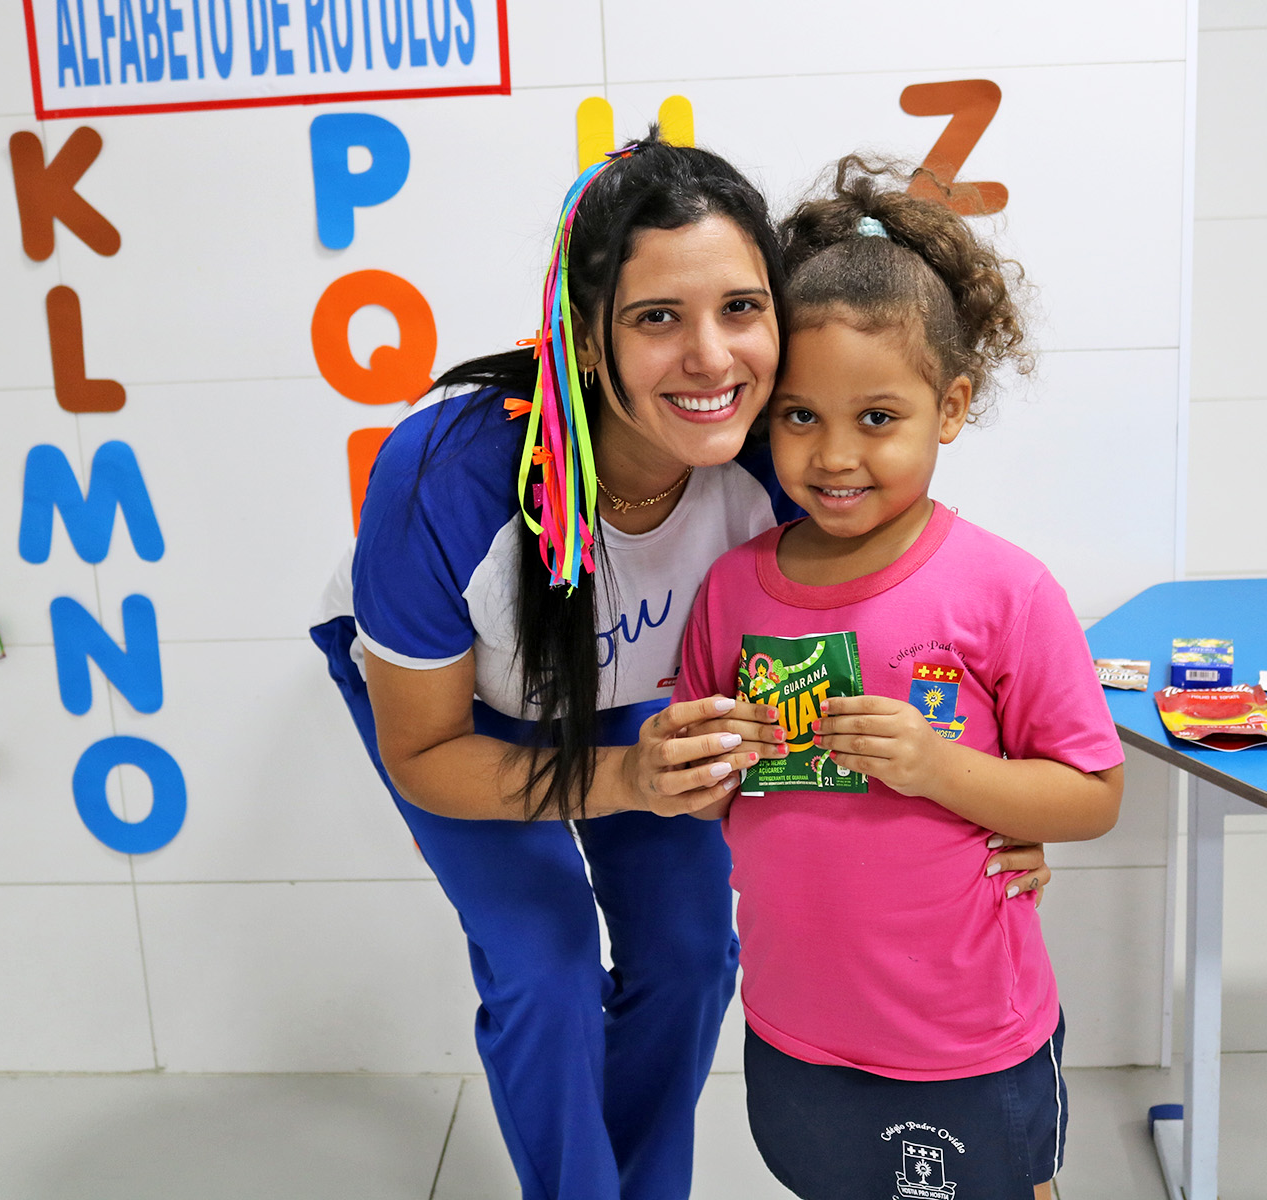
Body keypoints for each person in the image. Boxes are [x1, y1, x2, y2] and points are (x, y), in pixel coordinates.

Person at [310, 134, 1054, 1200]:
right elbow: (425, 753)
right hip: (457, 718)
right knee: (546, 969)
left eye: (741, 308)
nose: (712, 358)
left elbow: (916, 644)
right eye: (658, 317)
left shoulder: (786, 457)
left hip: (651, 708)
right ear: (586, 335)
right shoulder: (444, 479)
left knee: (693, 956)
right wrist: (623, 778)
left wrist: (995, 801)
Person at [673, 157, 1126, 1200]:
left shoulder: (1006, 591)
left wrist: (938, 768)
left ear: (950, 406)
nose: (834, 456)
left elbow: (1092, 796)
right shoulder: (732, 589)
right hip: (796, 1022)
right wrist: (712, 760)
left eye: (877, 417)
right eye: (799, 416)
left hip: (964, 1035)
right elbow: (700, 785)